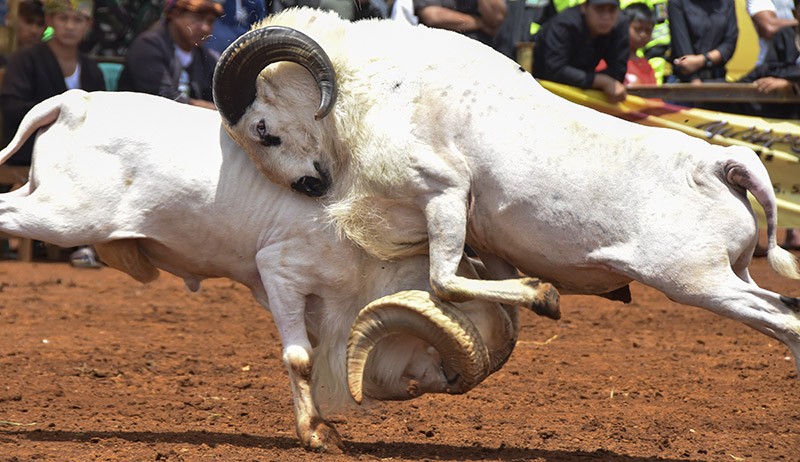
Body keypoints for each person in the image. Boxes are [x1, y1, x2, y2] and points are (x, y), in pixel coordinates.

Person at [0, 0, 105, 267]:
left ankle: (92, 243)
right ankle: (82, 243)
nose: (70, 26)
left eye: (77, 20)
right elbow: (12, 107)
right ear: (50, 21)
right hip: (33, 146)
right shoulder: (25, 59)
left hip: (80, 150)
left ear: (88, 25)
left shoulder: (91, 69)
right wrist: (59, 114)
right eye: (63, 18)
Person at [117, 0, 223, 110]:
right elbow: (163, 98)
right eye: (197, 18)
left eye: (210, 21)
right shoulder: (147, 45)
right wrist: (213, 109)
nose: (205, 28)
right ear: (174, 14)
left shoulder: (208, 57)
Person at [532, 0, 628, 103]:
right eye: (599, 9)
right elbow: (554, 70)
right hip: (538, 87)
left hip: (579, 92)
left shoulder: (619, 24)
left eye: (611, 10)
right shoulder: (564, 24)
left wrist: (597, 81)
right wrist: (601, 81)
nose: (606, 17)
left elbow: (618, 72)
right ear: (584, 7)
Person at [667, 0, 738, 84]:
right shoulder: (677, 2)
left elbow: (730, 43)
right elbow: (684, 54)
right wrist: (696, 83)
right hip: (686, 82)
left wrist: (702, 60)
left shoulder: (727, 2)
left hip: (718, 79)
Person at [597, 1, 657, 86]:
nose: (643, 35)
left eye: (648, 30)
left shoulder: (646, 66)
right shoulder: (605, 61)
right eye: (637, 29)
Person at [412, 0, 507, 47]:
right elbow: (432, 16)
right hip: (440, 48)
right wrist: (480, 23)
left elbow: (496, 18)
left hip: (480, 51)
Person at [0, 0, 46, 66]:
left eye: (40, 24)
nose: (34, 30)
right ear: (10, 20)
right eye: (28, 22)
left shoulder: (46, 61)